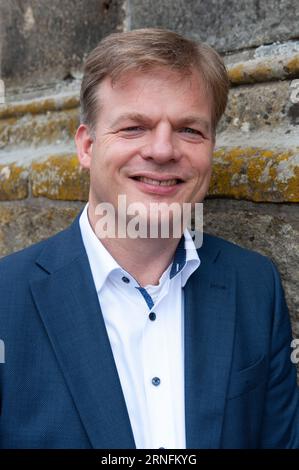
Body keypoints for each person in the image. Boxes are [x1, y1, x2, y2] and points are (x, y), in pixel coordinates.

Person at [0, 28, 298, 449]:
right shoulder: (4, 297)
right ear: (86, 147)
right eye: (134, 127)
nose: (162, 150)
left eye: (190, 130)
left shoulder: (254, 285)